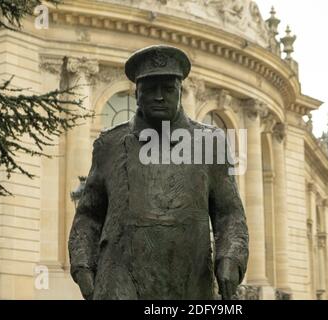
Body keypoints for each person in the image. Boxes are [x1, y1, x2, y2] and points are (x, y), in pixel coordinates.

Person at [68, 45, 249, 300]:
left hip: (189, 280)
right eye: (150, 89)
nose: (159, 96)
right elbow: (89, 214)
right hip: (119, 281)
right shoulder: (109, 145)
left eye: (167, 89)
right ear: (137, 95)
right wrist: (83, 264)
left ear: (180, 92)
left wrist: (230, 258)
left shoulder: (211, 142)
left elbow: (229, 213)